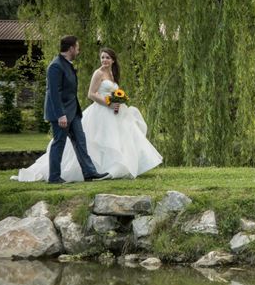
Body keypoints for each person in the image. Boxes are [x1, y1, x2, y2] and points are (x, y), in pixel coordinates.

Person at [12, 47, 162, 182]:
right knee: (96, 141)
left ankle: (114, 167)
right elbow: (91, 94)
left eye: (107, 57)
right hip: (101, 111)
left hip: (114, 112)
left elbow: (114, 91)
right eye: (102, 57)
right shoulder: (98, 73)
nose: (104, 60)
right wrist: (108, 103)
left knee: (119, 139)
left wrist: (118, 101)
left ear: (113, 60)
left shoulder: (113, 74)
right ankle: (90, 170)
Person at [45, 35, 108, 183]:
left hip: (73, 112)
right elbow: (53, 93)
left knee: (80, 141)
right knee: (59, 143)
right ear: (71, 48)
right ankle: (54, 177)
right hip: (61, 113)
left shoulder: (67, 64)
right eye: (77, 48)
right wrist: (60, 115)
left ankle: (89, 172)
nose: (78, 51)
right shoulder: (55, 66)